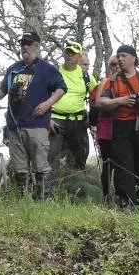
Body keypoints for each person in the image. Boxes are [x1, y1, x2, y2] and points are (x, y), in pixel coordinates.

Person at [0, 31, 66, 199]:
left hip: (37, 125)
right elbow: (3, 89)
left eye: (28, 44)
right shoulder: (14, 69)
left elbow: (61, 88)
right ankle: (23, 200)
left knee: (40, 166)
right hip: (15, 126)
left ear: (37, 47)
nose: (25, 47)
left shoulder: (47, 69)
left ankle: (42, 201)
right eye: (23, 44)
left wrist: (47, 104)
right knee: (20, 168)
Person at [94, 45, 139, 211]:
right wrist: (121, 101)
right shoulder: (112, 80)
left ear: (133, 58)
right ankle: (127, 204)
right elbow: (100, 103)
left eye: (123, 55)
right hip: (121, 126)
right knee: (123, 166)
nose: (119, 59)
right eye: (118, 56)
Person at [48, 41, 96, 191]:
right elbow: (41, 96)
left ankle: (76, 190)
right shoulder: (54, 72)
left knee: (78, 156)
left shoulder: (86, 76)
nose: (69, 55)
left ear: (78, 56)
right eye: (67, 52)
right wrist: (47, 119)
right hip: (56, 120)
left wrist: (95, 121)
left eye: (73, 53)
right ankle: (50, 191)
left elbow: (98, 95)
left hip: (78, 122)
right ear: (63, 53)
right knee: (51, 156)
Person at [91, 56, 120, 203]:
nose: (116, 67)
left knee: (122, 163)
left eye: (118, 64)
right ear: (109, 67)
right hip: (106, 129)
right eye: (113, 65)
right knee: (108, 164)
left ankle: (121, 195)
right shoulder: (104, 82)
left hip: (123, 128)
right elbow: (96, 105)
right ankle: (106, 196)